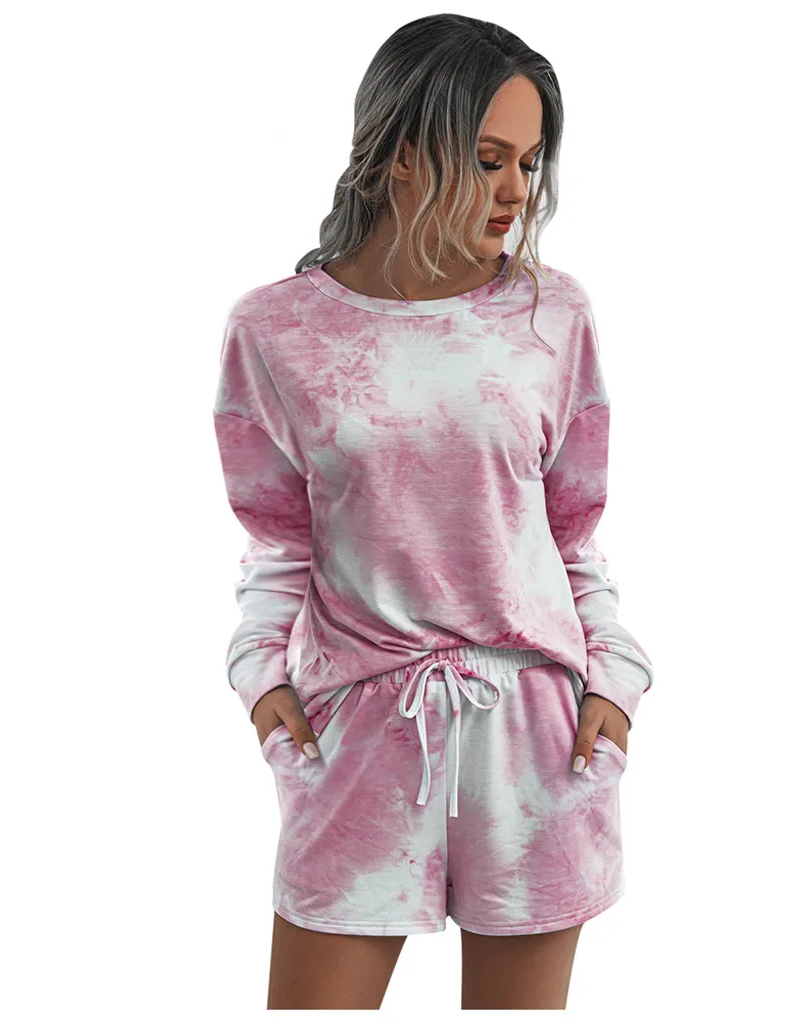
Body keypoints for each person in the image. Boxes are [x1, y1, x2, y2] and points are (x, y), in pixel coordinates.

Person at [211, 13, 654, 1010]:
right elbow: (276, 543)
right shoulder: (275, 331)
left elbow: (573, 538)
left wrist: (615, 685)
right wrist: (262, 681)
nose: (517, 191)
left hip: (537, 737)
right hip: (356, 734)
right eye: (489, 159)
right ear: (402, 155)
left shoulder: (553, 316)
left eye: (529, 162)